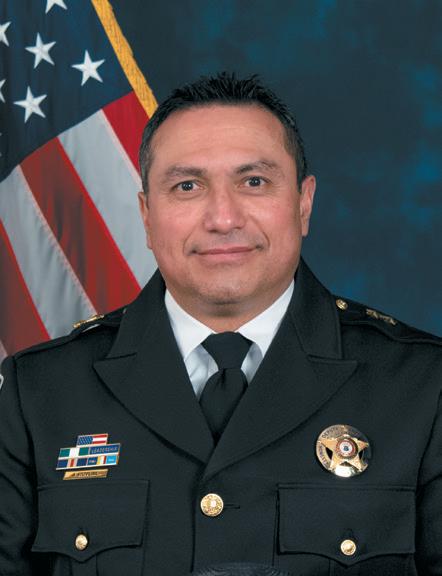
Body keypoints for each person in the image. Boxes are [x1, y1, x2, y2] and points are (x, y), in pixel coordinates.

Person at [0, 72, 441, 576]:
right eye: (187, 186)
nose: (223, 218)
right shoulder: (37, 393)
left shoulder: (424, 387)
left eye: (254, 182)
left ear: (303, 203)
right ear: (146, 215)